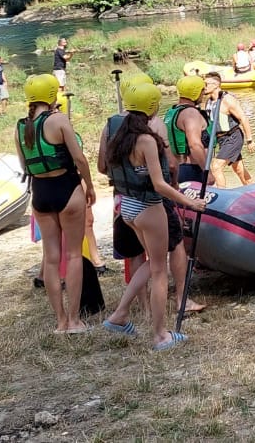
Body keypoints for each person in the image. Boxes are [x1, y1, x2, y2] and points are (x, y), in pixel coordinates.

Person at [97, 77, 207, 350]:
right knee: (160, 270)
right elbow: (159, 184)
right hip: (148, 207)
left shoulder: (114, 128)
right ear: (153, 108)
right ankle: (160, 335)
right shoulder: (146, 138)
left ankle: (119, 315)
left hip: (126, 206)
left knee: (150, 263)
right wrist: (190, 202)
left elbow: (103, 167)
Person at [16, 74, 97, 333]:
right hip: (66, 188)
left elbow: (23, 165)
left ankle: (60, 320)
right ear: (53, 96)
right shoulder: (59, 120)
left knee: (50, 259)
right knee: (73, 255)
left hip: (40, 192)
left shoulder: (20, 127)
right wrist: (90, 185)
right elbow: (80, 159)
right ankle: (74, 320)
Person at [205, 72, 254, 187]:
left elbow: (243, 118)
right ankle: (252, 188)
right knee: (238, 169)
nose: (204, 87)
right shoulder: (209, 101)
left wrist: (250, 140)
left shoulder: (227, 100)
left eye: (206, 84)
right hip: (221, 140)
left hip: (233, 137)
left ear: (216, 85)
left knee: (216, 167)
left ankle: (221, 197)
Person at [165, 76, 214, 189]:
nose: (204, 93)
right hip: (193, 171)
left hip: (179, 169)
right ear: (195, 92)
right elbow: (194, 145)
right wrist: (207, 173)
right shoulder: (191, 114)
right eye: (202, 90)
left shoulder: (172, 111)